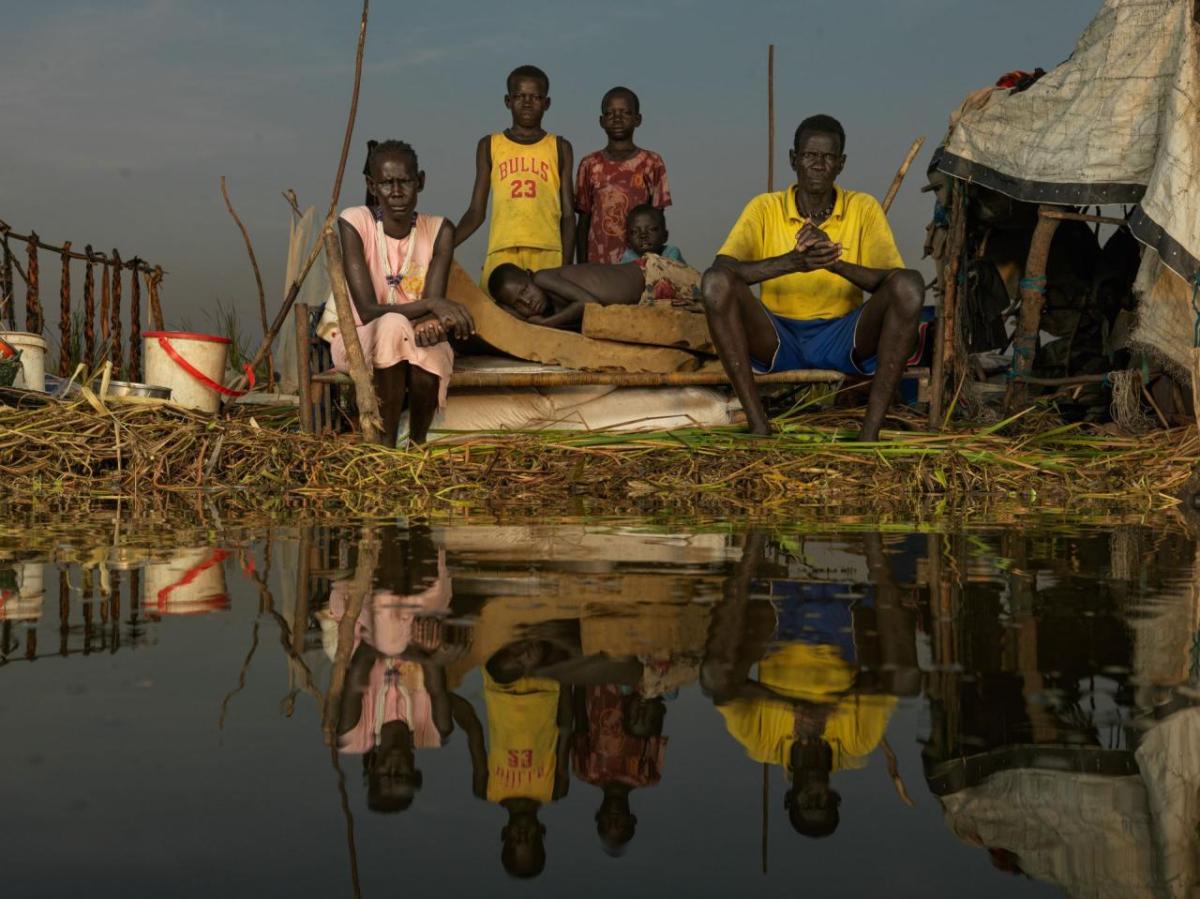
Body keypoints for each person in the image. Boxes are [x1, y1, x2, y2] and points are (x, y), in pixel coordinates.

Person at [701, 114, 926, 441]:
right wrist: (793, 262)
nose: (819, 164)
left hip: (843, 336)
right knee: (714, 283)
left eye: (828, 157)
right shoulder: (765, 207)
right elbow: (723, 270)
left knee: (911, 285)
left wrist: (834, 263)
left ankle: (869, 435)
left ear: (841, 164)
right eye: (809, 155)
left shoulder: (863, 207)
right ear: (794, 160)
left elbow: (893, 280)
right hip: (777, 337)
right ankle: (759, 427)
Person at [318, 140, 475, 446]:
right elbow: (365, 310)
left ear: (421, 182)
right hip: (360, 339)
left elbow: (432, 314)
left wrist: (431, 319)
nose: (397, 192)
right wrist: (432, 304)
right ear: (371, 186)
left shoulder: (440, 229)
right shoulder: (355, 222)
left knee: (425, 347)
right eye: (387, 183)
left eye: (405, 182)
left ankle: (416, 444)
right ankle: (385, 445)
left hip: (416, 338)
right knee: (392, 326)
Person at [455, 65, 575, 290]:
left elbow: (568, 215)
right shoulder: (490, 145)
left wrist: (566, 266)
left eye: (535, 97)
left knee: (545, 318)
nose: (527, 102)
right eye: (520, 96)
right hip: (503, 250)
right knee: (496, 320)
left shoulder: (559, 147)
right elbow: (475, 212)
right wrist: (444, 246)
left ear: (546, 103)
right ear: (508, 101)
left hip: (548, 251)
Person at [575, 87, 672, 264]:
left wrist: (657, 265)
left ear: (637, 119)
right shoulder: (589, 164)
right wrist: (582, 265)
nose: (617, 119)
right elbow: (583, 220)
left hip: (640, 263)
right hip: (599, 263)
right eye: (610, 113)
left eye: (625, 113)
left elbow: (658, 217)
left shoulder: (652, 162)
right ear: (601, 121)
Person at [488, 255, 702, 329]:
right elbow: (501, 311)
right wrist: (512, 310)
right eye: (518, 302)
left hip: (653, 273)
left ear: (529, 275)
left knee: (717, 300)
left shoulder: (543, 277)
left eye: (525, 290)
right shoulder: (550, 307)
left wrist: (545, 323)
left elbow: (589, 304)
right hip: (646, 300)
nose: (528, 301)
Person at [619, 204, 685, 264]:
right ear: (628, 240)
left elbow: (670, 272)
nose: (643, 235)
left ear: (665, 236)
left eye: (652, 229)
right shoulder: (628, 257)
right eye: (635, 232)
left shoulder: (671, 252)